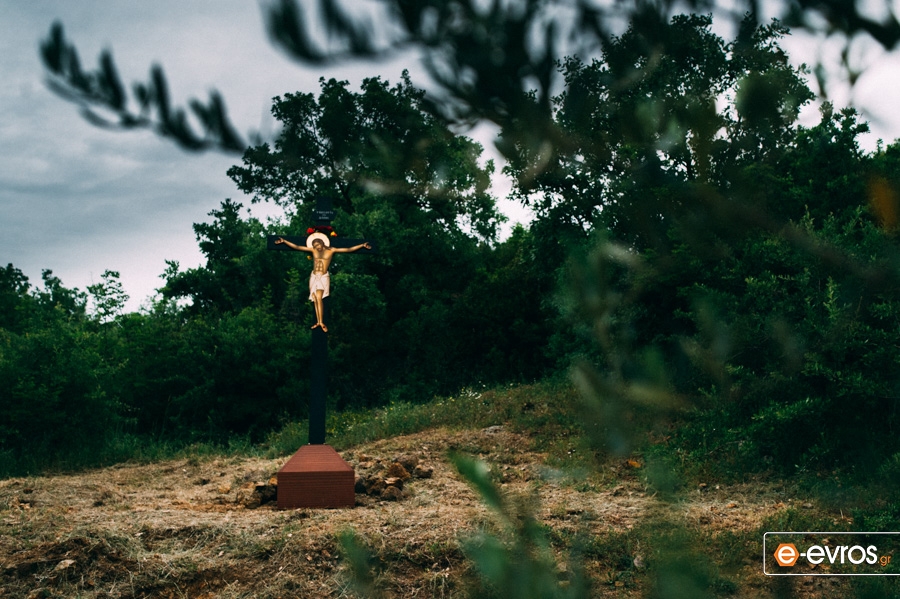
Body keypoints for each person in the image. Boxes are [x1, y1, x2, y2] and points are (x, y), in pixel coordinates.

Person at [275, 232, 371, 332]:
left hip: (323, 277)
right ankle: (318, 321)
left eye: (318, 245)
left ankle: (321, 322)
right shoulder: (313, 250)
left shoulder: (331, 250)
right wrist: (284, 241)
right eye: (315, 246)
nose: (317, 248)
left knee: (319, 298)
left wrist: (362, 245)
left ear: (322, 243)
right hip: (314, 276)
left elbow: (348, 249)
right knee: (315, 299)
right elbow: (297, 247)